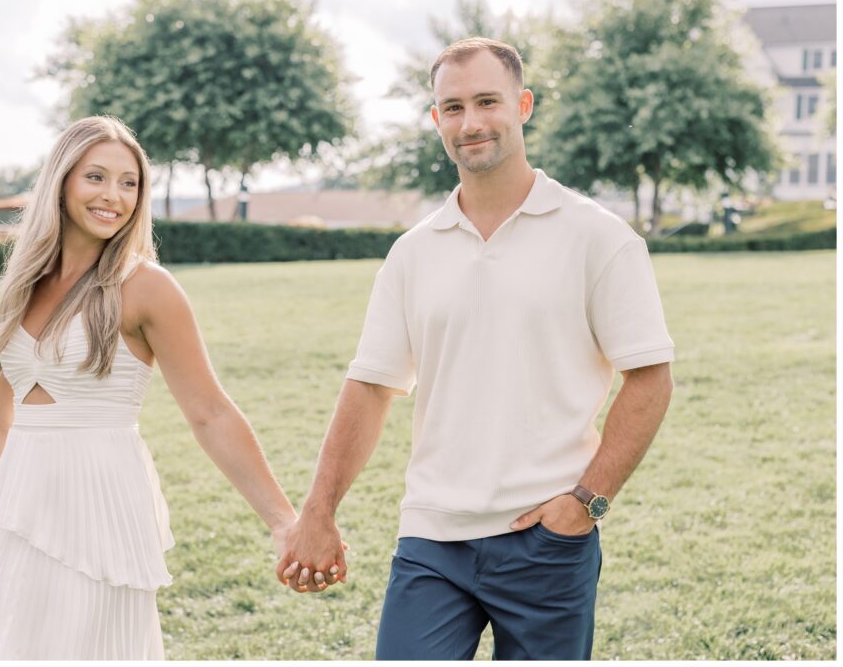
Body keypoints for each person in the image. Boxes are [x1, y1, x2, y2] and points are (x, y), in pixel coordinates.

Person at [275, 37, 676, 660]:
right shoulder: (413, 252)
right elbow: (371, 385)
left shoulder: (598, 237)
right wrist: (318, 511)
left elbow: (650, 379)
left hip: (546, 539)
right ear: (437, 120)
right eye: (453, 107)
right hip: (432, 538)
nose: (471, 122)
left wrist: (586, 503)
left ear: (523, 105)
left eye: (487, 101)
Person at [0, 116, 298, 660]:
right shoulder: (22, 284)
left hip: (99, 505)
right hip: (12, 505)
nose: (113, 196)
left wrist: (284, 521)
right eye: (96, 177)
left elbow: (210, 413)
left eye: (129, 183)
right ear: (62, 180)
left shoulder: (147, 287)